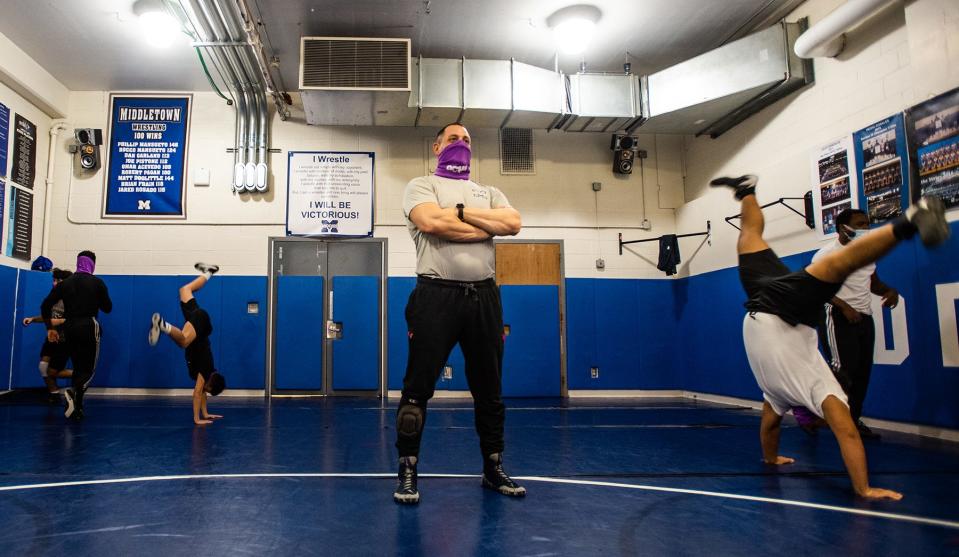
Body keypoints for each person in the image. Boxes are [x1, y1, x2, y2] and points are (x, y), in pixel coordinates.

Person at [711, 174, 950, 500]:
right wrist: (861, 488)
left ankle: (748, 191)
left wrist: (773, 458)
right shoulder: (787, 393)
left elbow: (843, 433)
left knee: (821, 260)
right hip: (769, 304)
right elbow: (779, 427)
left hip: (775, 305)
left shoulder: (802, 392)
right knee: (761, 241)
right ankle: (747, 193)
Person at [394, 122, 524, 504]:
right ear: (437, 146)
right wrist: (486, 226)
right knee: (417, 390)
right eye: (453, 138)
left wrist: (462, 213)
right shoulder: (421, 186)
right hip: (435, 295)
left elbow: (513, 223)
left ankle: (493, 467)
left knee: (490, 389)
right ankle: (407, 468)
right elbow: (431, 222)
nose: (461, 143)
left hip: (484, 297)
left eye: (467, 138)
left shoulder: (489, 191)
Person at [814, 208, 899, 439]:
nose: (866, 228)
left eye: (867, 224)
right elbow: (817, 287)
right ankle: (820, 415)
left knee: (862, 373)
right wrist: (844, 306)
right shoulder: (826, 254)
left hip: (864, 317)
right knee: (842, 371)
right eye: (860, 224)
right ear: (843, 228)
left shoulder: (867, 253)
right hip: (836, 315)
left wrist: (890, 291)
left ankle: (852, 420)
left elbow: (873, 283)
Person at [148, 263, 226, 425]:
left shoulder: (207, 375)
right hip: (202, 323)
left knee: (185, 290)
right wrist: (197, 419)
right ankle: (162, 324)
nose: (206, 391)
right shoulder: (206, 369)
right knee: (183, 341)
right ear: (210, 383)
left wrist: (206, 413)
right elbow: (198, 392)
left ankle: (209, 273)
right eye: (210, 390)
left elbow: (202, 392)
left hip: (198, 320)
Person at [41, 251, 112, 420]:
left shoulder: (66, 283)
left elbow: (45, 305)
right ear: (92, 264)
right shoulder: (97, 283)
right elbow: (107, 308)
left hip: (68, 327)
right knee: (87, 370)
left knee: (77, 367)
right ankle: (74, 393)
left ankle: (77, 408)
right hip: (88, 325)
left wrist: (50, 328)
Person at [23, 268, 73, 400]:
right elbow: (47, 317)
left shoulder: (71, 301)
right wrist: (33, 319)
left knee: (52, 372)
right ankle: (54, 393)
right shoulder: (53, 298)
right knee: (43, 367)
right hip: (51, 338)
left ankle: (82, 374)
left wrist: (53, 321)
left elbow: (66, 321)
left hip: (64, 340)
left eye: (58, 281)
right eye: (54, 280)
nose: (55, 283)